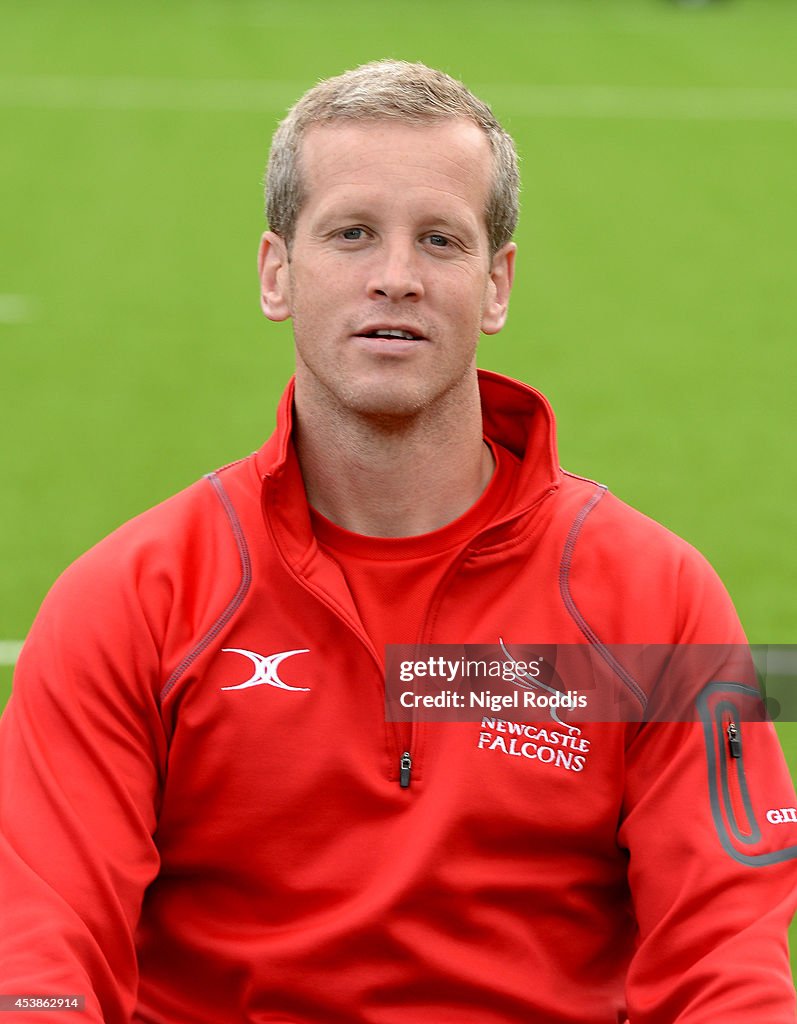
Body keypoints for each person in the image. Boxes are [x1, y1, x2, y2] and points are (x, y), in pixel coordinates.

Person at [1, 60, 796, 1024]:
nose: (395, 278)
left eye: (440, 240)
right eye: (350, 234)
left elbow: (725, 956)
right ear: (277, 272)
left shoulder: (652, 596)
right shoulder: (134, 597)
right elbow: (40, 954)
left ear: (495, 285)